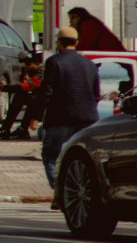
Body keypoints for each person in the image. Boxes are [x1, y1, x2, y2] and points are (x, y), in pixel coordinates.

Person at [37, 26, 102, 193]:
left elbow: (47, 92)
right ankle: (78, 189)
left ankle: (61, 192)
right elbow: (96, 95)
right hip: (87, 118)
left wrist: (36, 116)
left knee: (51, 156)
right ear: (77, 43)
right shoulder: (90, 65)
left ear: (59, 43)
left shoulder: (54, 62)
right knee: (82, 158)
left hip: (60, 118)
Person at [0, 57, 44, 138]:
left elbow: (28, 86)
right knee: (22, 96)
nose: (26, 67)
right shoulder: (37, 72)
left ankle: (12, 128)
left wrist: (5, 88)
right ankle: (17, 128)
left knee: (22, 96)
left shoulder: (40, 72)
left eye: (27, 65)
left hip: (43, 102)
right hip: (39, 100)